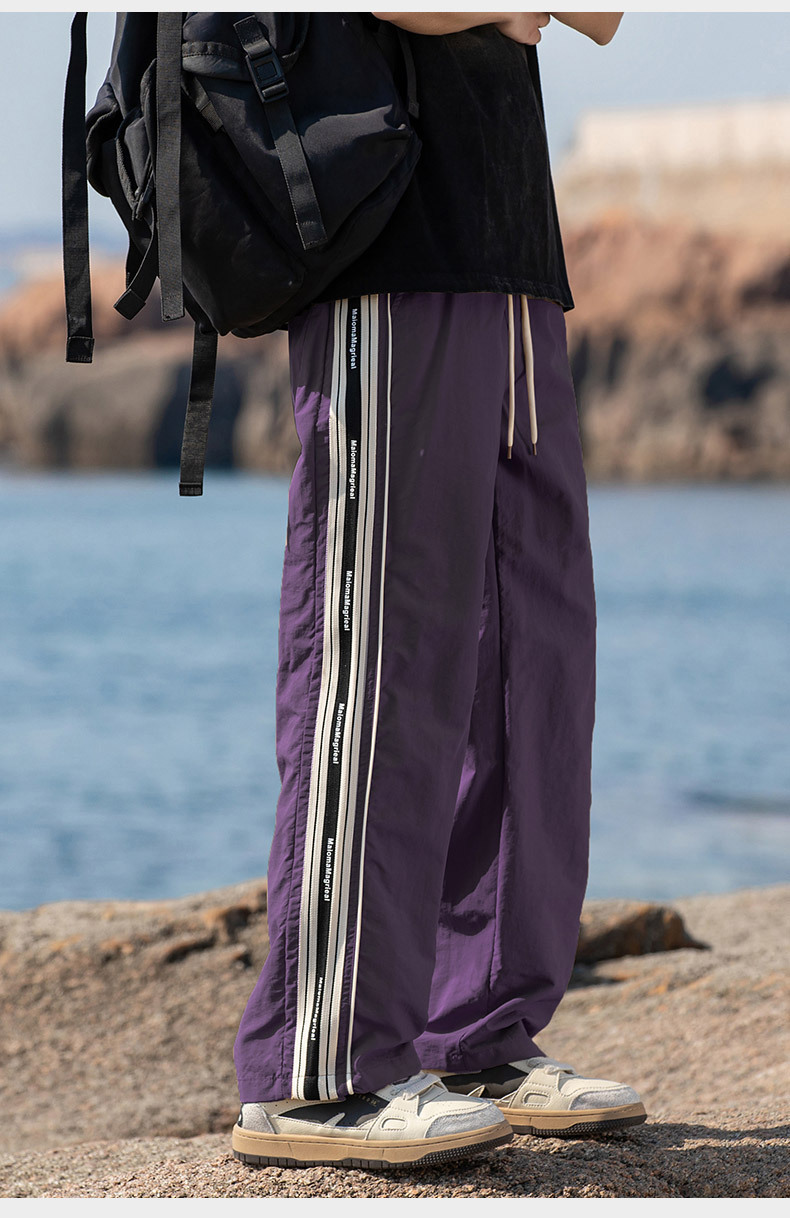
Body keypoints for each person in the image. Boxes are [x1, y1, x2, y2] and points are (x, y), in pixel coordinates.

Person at [231, 11, 644, 1170]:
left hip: (509, 248)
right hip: (387, 231)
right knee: (382, 649)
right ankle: (318, 1069)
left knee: (534, 657)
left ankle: (479, 1030)